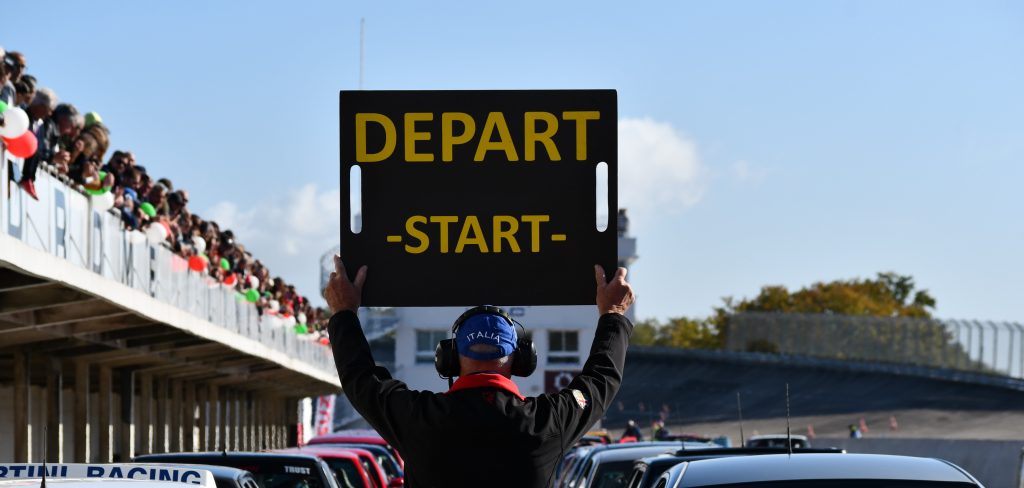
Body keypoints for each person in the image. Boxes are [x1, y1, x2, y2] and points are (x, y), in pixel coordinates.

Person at [324, 257, 635, 488]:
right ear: (521, 359)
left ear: (449, 359)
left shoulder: (419, 418)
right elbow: (600, 380)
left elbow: (360, 378)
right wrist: (613, 315)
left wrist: (344, 313)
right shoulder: (546, 422)